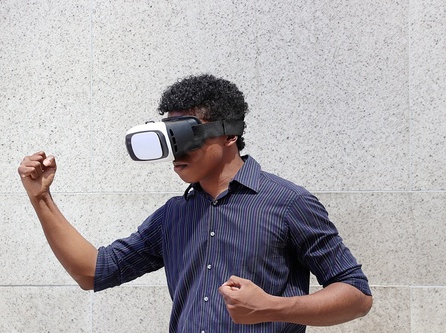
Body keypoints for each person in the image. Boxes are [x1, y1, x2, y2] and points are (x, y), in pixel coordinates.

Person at [18, 74, 372, 332]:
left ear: (229, 134)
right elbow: (93, 272)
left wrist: (273, 308)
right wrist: (41, 197)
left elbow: (357, 296)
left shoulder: (288, 203)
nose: (175, 151)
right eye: (168, 137)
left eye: (185, 134)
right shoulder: (174, 215)